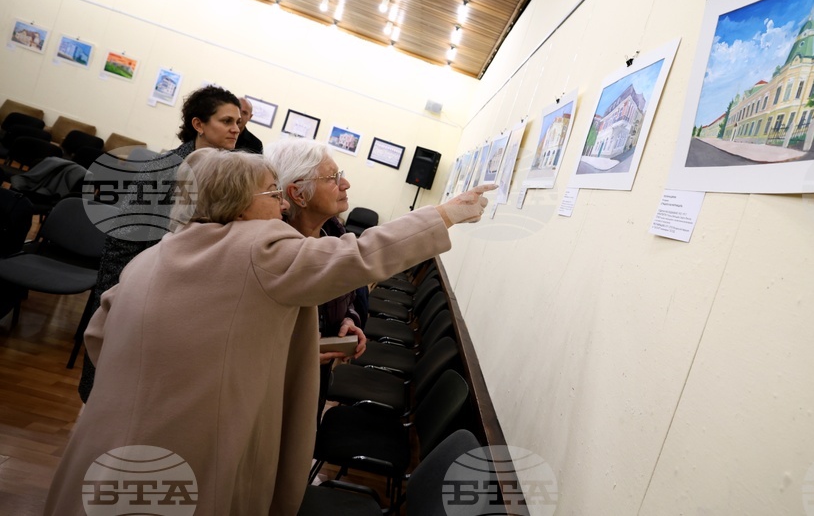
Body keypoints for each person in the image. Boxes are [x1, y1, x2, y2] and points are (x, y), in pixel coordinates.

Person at [44, 149, 492, 515]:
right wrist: (444, 215)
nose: (282, 204)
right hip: (189, 447)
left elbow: (99, 336)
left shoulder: (157, 252)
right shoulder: (261, 245)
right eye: (274, 192)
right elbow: (358, 256)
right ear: (239, 201)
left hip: (106, 438)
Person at [77, 85, 242, 403]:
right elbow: (123, 238)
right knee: (112, 391)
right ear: (199, 124)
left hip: (184, 293)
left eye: (238, 122)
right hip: (142, 285)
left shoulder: (226, 172)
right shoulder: (162, 170)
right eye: (227, 121)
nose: (236, 129)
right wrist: (116, 297)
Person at [264, 138, 368, 423]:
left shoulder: (334, 232)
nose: (345, 184)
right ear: (298, 194)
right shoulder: (269, 250)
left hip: (317, 376)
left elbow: (348, 295)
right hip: (273, 385)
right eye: (333, 178)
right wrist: (298, 354)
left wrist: (349, 321)